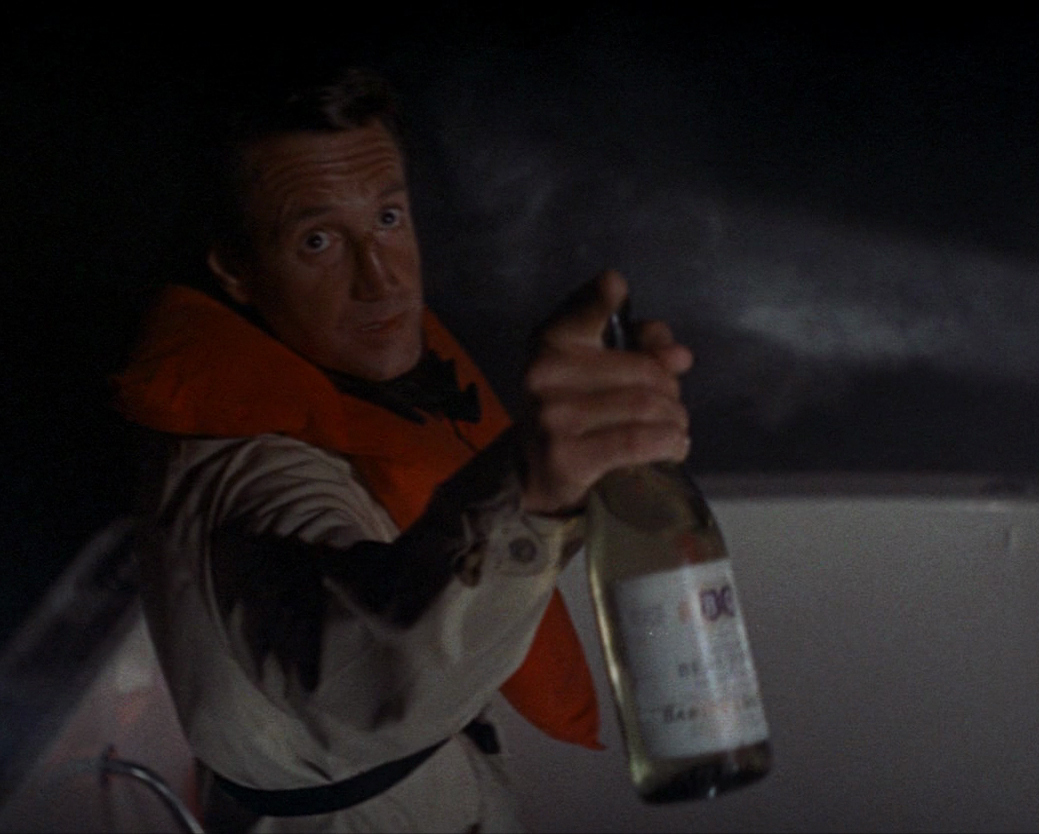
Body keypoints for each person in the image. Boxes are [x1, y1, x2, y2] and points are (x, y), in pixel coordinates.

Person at [111, 64, 694, 832]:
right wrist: (529, 493)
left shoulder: (350, 383)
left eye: (387, 218)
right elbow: (362, 676)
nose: (379, 280)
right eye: (318, 240)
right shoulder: (245, 471)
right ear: (236, 270)